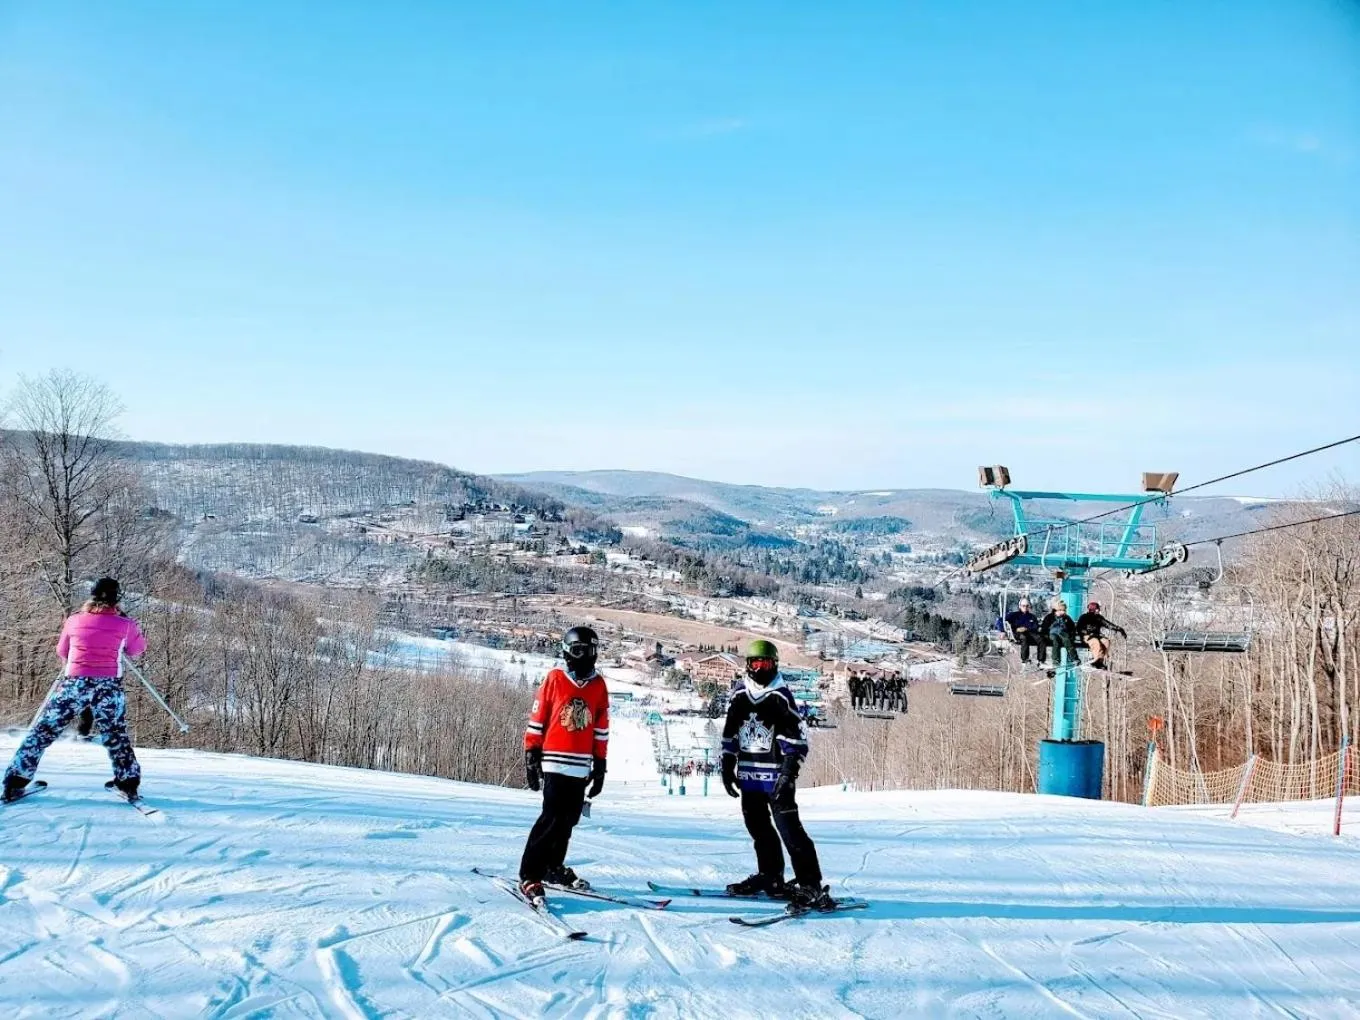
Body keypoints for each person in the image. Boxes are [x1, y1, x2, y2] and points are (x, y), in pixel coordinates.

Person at [3, 578, 146, 804]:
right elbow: (137, 649)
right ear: (116, 599)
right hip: (108, 684)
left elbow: (63, 651)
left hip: (75, 683)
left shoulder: (74, 620)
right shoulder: (124, 624)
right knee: (115, 733)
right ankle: (127, 783)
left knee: (44, 730)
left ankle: (15, 781)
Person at [721, 639, 831, 909]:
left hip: (775, 778)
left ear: (774, 665)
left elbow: (796, 739)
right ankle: (770, 874)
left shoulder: (780, 696)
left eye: (765, 663)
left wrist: (788, 772)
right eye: (755, 663)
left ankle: (810, 883)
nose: (760, 668)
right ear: (748, 665)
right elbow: (730, 730)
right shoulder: (739, 694)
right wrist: (726, 762)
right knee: (758, 829)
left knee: (790, 831)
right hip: (749, 776)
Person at [517, 625, 610, 904]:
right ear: (568, 651)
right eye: (580, 650)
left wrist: (601, 763)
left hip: (580, 765)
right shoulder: (555, 679)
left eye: (591, 651)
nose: (586, 656)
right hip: (555, 761)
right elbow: (538, 717)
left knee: (569, 820)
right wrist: (531, 753)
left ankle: (552, 866)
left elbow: (601, 727)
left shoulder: (598, 685)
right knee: (552, 817)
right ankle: (530, 873)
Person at [1076, 602, 1127, 670]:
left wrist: (1119, 629)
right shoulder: (1084, 617)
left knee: (1106, 642)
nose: (1099, 610)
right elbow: (1079, 628)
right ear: (1093, 609)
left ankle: (1100, 660)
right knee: (1096, 642)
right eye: (1097, 609)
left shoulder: (1099, 618)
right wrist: (1087, 633)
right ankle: (1097, 660)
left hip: (1096, 635)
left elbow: (1108, 624)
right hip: (1087, 636)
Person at [1004, 599, 1044, 667]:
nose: (1025, 607)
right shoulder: (1014, 615)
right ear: (1020, 606)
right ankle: (1024, 660)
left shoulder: (1032, 616)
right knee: (1024, 638)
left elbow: (1035, 626)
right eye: (1023, 606)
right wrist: (1002, 630)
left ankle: (1040, 660)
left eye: (1027, 606)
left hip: (1029, 632)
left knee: (1040, 639)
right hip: (1017, 633)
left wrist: (1026, 628)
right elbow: (1000, 620)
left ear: (1029, 607)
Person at [1045, 600, 1080, 673]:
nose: (1064, 612)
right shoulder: (1050, 617)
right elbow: (1044, 627)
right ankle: (1056, 660)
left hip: (1063, 634)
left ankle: (1074, 658)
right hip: (1053, 634)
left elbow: (1072, 628)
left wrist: (1072, 636)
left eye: (1064, 610)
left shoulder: (1066, 618)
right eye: (1062, 610)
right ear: (1057, 610)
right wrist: (1045, 635)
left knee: (1066, 639)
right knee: (1056, 640)